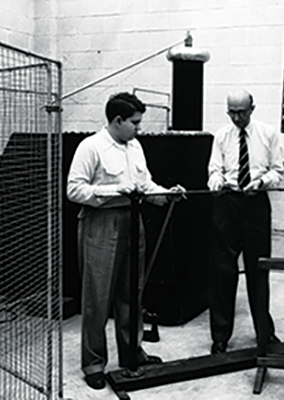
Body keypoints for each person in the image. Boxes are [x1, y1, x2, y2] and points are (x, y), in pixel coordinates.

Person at [67, 92, 185, 390]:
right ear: (117, 120)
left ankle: (133, 353)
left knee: (133, 293)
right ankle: (94, 364)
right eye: (134, 123)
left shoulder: (135, 146)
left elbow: (145, 185)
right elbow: (73, 190)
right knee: (97, 298)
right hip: (101, 225)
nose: (139, 128)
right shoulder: (90, 147)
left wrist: (166, 194)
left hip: (133, 223)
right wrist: (114, 191)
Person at [207, 89, 284, 354]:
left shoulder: (268, 134)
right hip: (226, 203)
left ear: (253, 108)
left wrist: (262, 182)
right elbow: (214, 170)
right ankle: (220, 337)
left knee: (259, 269)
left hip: (256, 203)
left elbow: (277, 171)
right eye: (232, 112)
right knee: (222, 271)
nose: (237, 118)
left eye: (241, 112)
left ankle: (264, 333)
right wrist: (217, 184)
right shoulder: (221, 136)